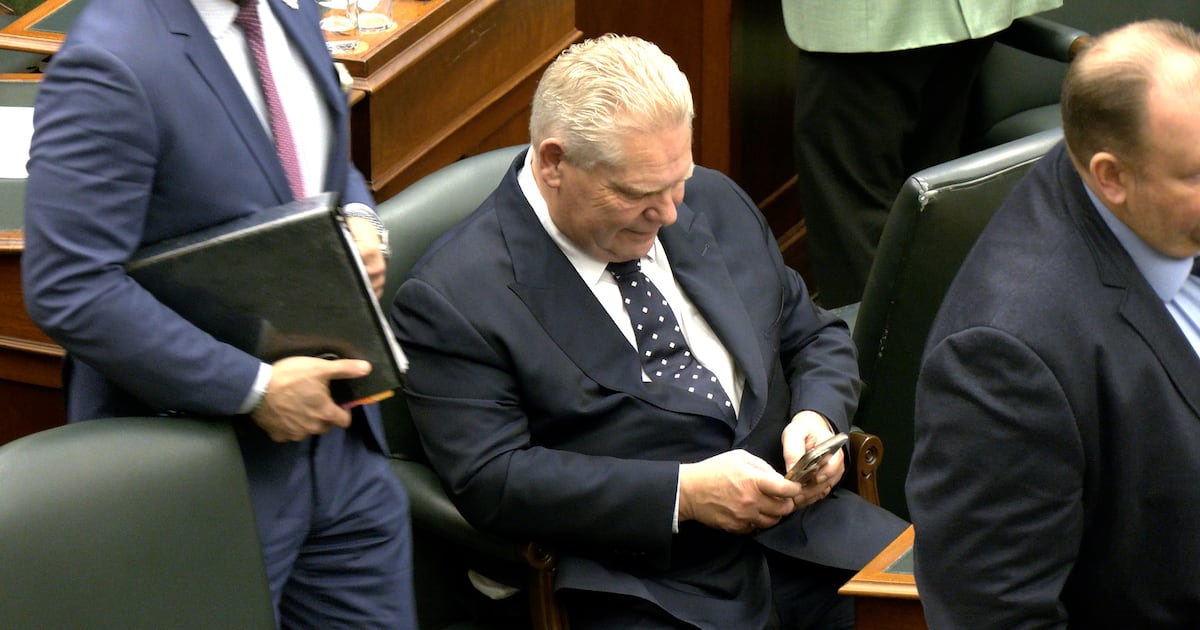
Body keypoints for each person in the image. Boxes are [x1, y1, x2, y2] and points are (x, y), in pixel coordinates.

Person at [390, 34, 907, 629]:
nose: (668, 213)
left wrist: (817, 418)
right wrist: (683, 493)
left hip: (814, 538)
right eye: (637, 194)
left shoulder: (713, 199)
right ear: (554, 163)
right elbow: (493, 479)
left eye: (676, 180)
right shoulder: (454, 296)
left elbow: (813, 336)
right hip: (650, 584)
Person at [21, 0, 416, 627]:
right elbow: (70, 286)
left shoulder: (287, 11)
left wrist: (361, 217)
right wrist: (252, 388)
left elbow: (314, 156)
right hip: (206, 470)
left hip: (341, 450)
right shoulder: (110, 61)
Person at [907, 19, 1200, 627]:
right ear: (1111, 177)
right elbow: (995, 614)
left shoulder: (1165, 191)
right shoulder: (1005, 359)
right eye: (1195, 175)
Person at [782, 0, 1062, 307]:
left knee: (852, 207)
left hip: (872, 22)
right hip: (971, 14)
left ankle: (872, 337)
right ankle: (940, 327)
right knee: (929, 194)